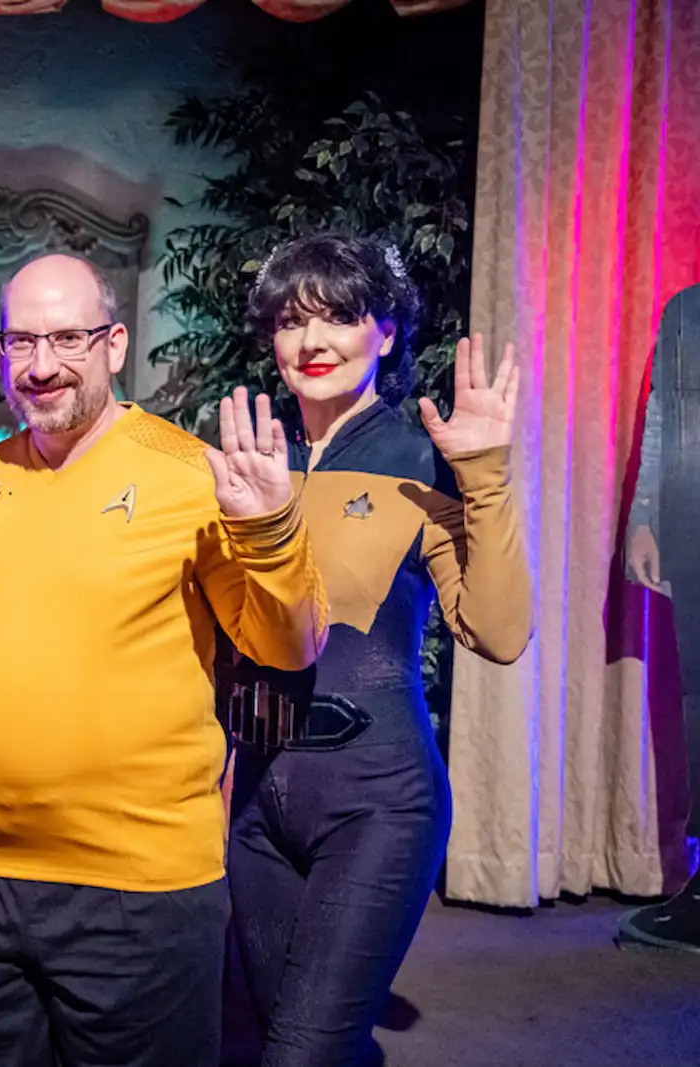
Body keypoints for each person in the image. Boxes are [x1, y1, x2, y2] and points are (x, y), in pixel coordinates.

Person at [0, 252, 329, 1067]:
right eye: (20, 342)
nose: (41, 366)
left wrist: (270, 530)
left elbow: (287, 644)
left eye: (67, 338)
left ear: (115, 345)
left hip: (137, 888)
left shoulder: (190, 474)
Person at [227, 232, 533, 1066]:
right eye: (291, 321)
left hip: (377, 801)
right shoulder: (255, 454)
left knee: (303, 1050)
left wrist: (488, 474)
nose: (311, 341)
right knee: (263, 1041)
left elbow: (499, 634)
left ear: (387, 334)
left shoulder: (419, 456)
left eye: (338, 318)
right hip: (254, 803)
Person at [619, 283, 700, 954]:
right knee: (698, 705)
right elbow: (664, 417)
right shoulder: (688, 310)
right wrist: (645, 517)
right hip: (692, 526)